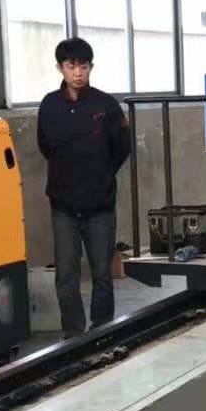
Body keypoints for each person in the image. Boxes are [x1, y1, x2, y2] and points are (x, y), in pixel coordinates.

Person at [36, 37, 132, 338]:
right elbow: (45, 146)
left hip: (99, 204)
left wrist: (100, 175)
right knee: (66, 274)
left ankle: (102, 330)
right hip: (63, 206)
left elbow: (123, 147)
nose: (77, 73)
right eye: (71, 66)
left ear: (91, 67)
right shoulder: (50, 105)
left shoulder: (106, 105)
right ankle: (73, 334)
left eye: (83, 66)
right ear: (60, 68)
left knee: (102, 272)